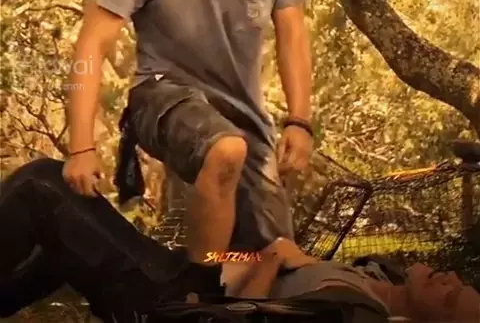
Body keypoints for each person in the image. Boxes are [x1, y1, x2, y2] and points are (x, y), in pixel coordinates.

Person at [62, 0, 313, 298]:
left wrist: (300, 120)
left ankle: (193, 274)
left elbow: (292, 29)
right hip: (161, 95)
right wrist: (81, 147)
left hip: (243, 113)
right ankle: (195, 300)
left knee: (273, 260)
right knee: (225, 149)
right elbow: (92, 42)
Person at [1, 158, 479, 323]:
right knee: (62, 251)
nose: (449, 279)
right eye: (460, 283)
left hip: (170, 300)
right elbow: (254, 263)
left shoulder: (354, 313)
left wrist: (270, 261)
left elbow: (243, 316)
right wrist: (234, 255)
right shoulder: (376, 278)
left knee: (42, 186)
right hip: (187, 271)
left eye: (449, 298)